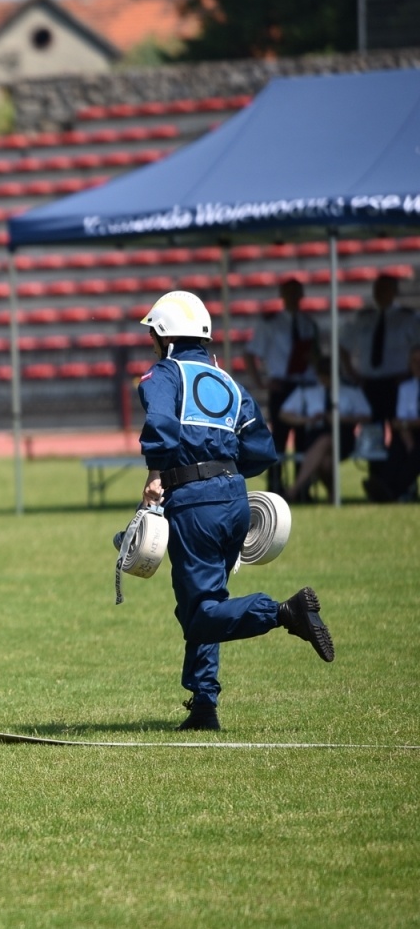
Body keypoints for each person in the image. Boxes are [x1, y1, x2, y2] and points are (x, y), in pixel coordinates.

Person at [136, 290, 335, 732]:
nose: (149, 340)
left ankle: (285, 612)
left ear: (165, 337)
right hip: (236, 501)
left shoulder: (164, 374)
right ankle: (204, 705)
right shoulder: (228, 380)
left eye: (152, 332)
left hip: (194, 504)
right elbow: (262, 449)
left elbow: (162, 425)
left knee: (200, 613)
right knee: (208, 601)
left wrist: (157, 472)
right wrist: (224, 473)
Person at [245, 278, 319, 493]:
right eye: (290, 293)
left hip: (304, 385)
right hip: (281, 386)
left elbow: (316, 356)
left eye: (297, 293)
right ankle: (276, 486)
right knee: (279, 439)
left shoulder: (308, 323)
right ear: (282, 295)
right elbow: (251, 354)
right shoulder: (270, 323)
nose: (294, 297)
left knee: (304, 439)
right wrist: (261, 382)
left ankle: (301, 488)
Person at [278, 355, 373, 504]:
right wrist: (307, 420)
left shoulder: (350, 390)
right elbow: (284, 414)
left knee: (326, 440)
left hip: (343, 436)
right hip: (314, 435)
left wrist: (339, 418)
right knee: (325, 462)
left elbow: (367, 415)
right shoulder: (307, 390)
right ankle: (332, 494)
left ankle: (293, 490)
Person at [340, 274, 418, 425]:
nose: (380, 293)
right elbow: (343, 346)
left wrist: (410, 372)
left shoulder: (408, 319)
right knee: (371, 426)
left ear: (395, 291)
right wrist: (352, 372)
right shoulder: (363, 318)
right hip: (368, 382)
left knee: (399, 424)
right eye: (377, 289)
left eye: (385, 289)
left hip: (397, 381)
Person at [366, 344, 420, 502]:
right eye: (414, 361)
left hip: (413, 431)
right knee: (398, 447)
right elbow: (400, 420)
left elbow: (404, 421)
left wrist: (406, 425)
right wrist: (409, 443)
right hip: (410, 433)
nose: (417, 365)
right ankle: (385, 486)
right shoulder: (406, 388)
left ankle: (391, 491)